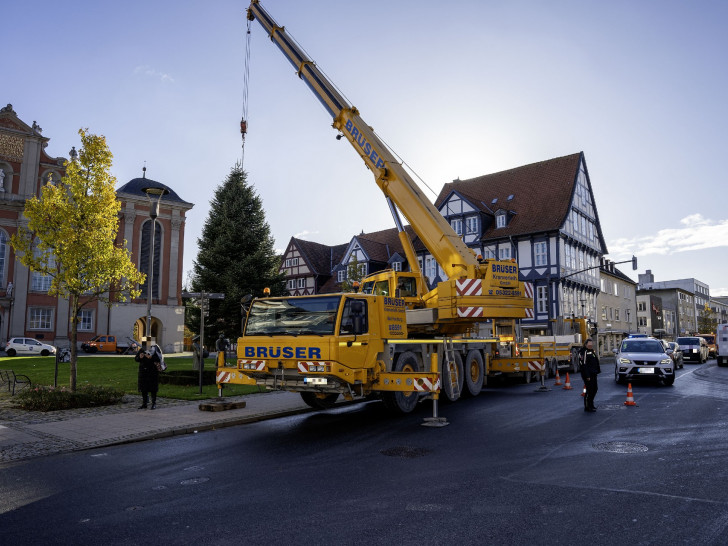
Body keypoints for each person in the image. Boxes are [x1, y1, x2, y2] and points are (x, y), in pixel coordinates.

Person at [579, 338, 601, 412]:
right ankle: (587, 407)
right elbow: (583, 365)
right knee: (590, 390)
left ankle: (591, 405)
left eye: (591, 344)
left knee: (595, 389)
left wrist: (597, 370)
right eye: (589, 344)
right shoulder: (583, 352)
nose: (590, 345)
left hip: (593, 373)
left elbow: (595, 361)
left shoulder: (591, 351)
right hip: (588, 375)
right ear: (586, 344)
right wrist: (587, 375)